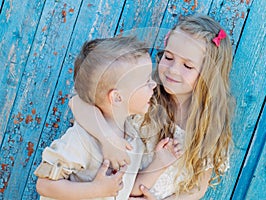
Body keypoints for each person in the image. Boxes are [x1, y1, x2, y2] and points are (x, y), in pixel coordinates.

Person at [38, 14, 234, 199]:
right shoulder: (144, 94)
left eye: (188, 66)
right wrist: (107, 140)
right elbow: (77, 102)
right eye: (168, 57)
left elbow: (199, 187)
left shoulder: (210, 125)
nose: (173, 70)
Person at [34, 36, 161, 199]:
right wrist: (97, 190)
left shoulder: (134, 140)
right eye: (146, 81)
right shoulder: (81, 139)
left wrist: (162, 162)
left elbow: (125, 189)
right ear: (117, 98)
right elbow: (44, 184)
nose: (154, 85)